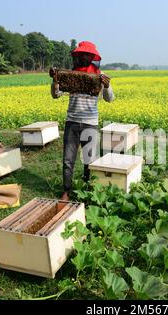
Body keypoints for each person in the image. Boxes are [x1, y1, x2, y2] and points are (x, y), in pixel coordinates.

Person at [51, 41, 115, 201]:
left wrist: (107, 86)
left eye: (87, 54)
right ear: (78, 56)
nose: (84, 57)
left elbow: (110, 99)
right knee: (68, 159)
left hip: (90, 123)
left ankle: (87, 190)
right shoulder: (69, 74)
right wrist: (55, 81)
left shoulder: (100, 75)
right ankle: (66, 190)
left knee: (89, 159)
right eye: (82, 54)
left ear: (92, 56)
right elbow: (56, 95)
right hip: (71, 122)